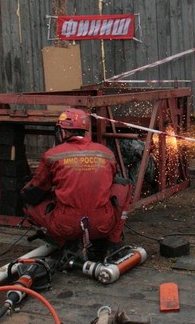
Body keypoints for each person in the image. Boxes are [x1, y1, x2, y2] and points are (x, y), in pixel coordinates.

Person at [20, 108, 131, 257]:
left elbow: (35, 192)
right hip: (103, 225)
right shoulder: (106, 153)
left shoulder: (52, 156)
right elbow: (111, 179)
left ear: (63, 132)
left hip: (66, 226)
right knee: (124, 186)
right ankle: (113, 242)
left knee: (29, 204)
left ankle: (65, 244)